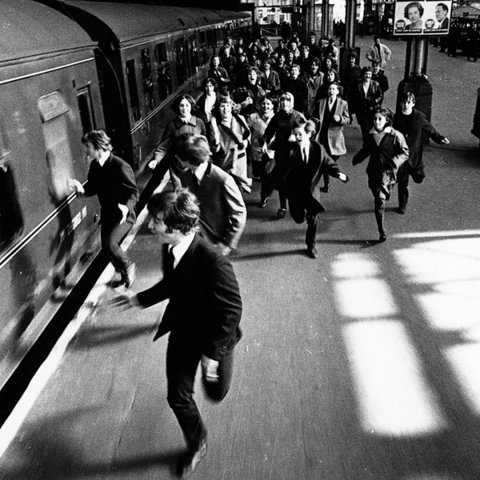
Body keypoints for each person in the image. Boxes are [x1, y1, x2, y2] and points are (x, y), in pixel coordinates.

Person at [112, 188, 242, 479]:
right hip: (184, 331)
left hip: (214, 337)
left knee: (216, 393)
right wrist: (139, 299)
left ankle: (214, 370)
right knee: (178, 397)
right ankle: (198, 443)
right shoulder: (168, 247)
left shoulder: (213, 262)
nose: (149, 225)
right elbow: (172, 283)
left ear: (174, 227)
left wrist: (212, 354)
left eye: (156, 221)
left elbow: (232, 311)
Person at [68, 130, 138, 287]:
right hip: (108, 215)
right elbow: (92, 188)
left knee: (111, 243)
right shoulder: (95, 166)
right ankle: (123, 272)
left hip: (124, 215)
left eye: (88, 146)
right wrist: (80, 189)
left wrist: (127, 208)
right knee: (107, 247)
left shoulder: (120, 166)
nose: (86, 150)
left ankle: (127, 266)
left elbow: (134, 192)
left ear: (98, 146)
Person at [286, 119, 348, 258]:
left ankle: (311, 245)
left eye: (300, 135)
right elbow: (281, 168)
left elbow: (328, 163)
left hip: (311, 191)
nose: (297, 138)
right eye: (295, 134)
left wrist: (339, 174)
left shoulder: (319, 149)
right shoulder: (290, 149)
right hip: (295, 191)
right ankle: (301, 216)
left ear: (309, 134)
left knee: (313, 218)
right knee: (298, 217)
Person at [176, 134, 247, 255]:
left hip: (216, 243)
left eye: (178, 155)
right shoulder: (185, 176)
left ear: (188, 159)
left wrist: (227, 244)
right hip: (193, 241)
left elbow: (239, 213)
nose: (176, 157)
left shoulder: (222, 179)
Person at [352, 107, 409, 242]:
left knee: (380, 201)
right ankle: (381, 199)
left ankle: (381, 232)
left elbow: (405, 152)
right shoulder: (371, 134)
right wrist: (358, 158)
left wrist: (394, 162)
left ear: (387, 120)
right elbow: (367, 149)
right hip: (373, 171)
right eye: (375, 119)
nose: (376, 122)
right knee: (377, 194)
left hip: (387, 173)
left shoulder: (395, 136)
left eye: (380, 119)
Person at [393, 92, 450, 214]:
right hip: (401, 154)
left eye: (408, 102)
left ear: (413, 104)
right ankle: (402, 205)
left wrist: (439, 138)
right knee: (403, 181)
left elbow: (429, 129)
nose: (405, 105)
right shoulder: (396, 118)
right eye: (403, 102)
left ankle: (415, 175)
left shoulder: (419, 117)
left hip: (414, 153)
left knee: (419, 177)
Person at [148, 94, 206, 188]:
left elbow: (204, 142)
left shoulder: (199, 123)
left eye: (187, 105)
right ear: (177, 107)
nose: (184, 108)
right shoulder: (171, 125)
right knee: (180, 193)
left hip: (196, 164)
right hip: (177, 166)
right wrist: (156, 159)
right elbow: (162, 147)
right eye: (181, 105)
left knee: (198, 189)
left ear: (191, 106)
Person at [262, 92, 306, 215]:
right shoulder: (277, 117)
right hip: (281, 153)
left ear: (291, 102)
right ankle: (283, 207)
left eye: (287, 100)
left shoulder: (298, 116)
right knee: (282, 180)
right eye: (282, 101)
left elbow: (308, 131)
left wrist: (296, 136)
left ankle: (299, 203)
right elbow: (268, 132)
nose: (285, 103)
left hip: (295, 153)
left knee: (295, 180)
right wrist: (265, 143)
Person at [209, 95, 252, 193]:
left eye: (228, 106)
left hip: (239, 156)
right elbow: (213, 142)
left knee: (239, 186)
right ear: (218, 108)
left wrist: (246, 142)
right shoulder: (215, 122)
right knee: (224, 185)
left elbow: (248, 134)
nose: (225, 109)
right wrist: (216, 146)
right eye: (222, 106)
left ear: (231, 107)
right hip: (224, 157)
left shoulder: (240, 118)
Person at [314, 82, 350, 193]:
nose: (331, 91)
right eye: (329, 89)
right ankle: (327, 184)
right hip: (322, 136)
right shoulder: (321, 102)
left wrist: (340, 119)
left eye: (334, 89)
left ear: (338, 91)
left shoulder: (343, 104)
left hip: (335, 138)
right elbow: (314, 116)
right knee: (323, 160)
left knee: (330, 161)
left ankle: (335, 172)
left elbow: (348, 119)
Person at [352, 66, 384, 145]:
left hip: (372, 110)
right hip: (361, 110)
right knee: (364, 127)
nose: (368, 76)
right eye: (366, 74)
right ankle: (366, 143)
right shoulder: (358, 84)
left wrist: (375, 101)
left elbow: (380, 95)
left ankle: (370, 143)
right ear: (363, 74)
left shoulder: (375, 84)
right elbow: (354, 97)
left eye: (369, 74)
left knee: (371, 127)